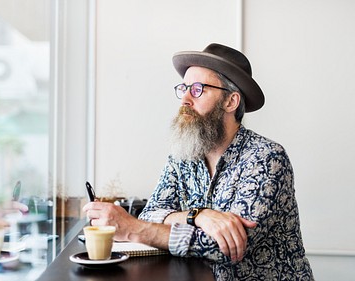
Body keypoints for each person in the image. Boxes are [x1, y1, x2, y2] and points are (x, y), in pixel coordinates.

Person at [83, 43, 314, 280]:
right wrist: (198, 215)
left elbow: (224, 247)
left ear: (230, 102)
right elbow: (150, 213)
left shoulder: (266, 158)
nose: (184, 99)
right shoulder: (183, 154)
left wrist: (134, 230)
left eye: (197, 89)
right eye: (183, 88)